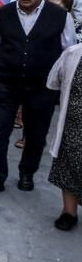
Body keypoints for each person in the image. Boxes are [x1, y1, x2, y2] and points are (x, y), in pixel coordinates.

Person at [0, 0, 77, 196]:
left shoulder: (60, 15)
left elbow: (68, 51)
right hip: (7, 83)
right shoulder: (3, 13)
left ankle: (27, 173)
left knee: (36, 133)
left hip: (42, 86)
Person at [45, 41, 82, 231]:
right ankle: (69, 212)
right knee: (68, 165)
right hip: (74, 125)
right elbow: (54, 80)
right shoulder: (73, 53)